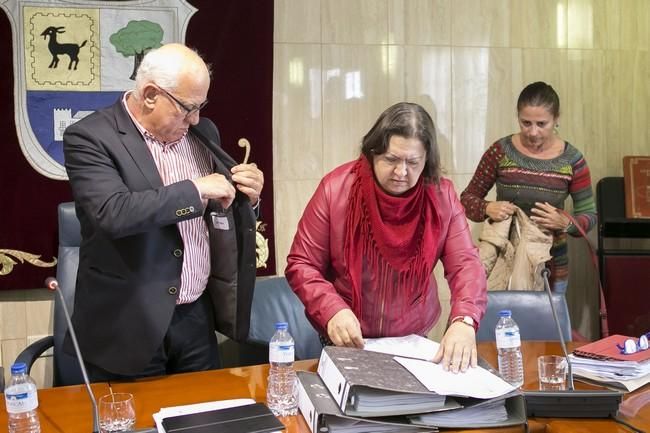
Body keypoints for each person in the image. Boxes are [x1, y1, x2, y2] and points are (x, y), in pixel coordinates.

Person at [63, 43, 263, 381]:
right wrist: (197, 189)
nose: (196, 118)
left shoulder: (202, 132)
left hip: (196, 316)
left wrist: (248, 196)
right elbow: (113, 212)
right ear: (151, 94)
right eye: (187, 108)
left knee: (202, 418)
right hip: (129, 322)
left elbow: (219, 205)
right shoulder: (91, 137)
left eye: (200, 107)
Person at [285, 102, 487, 373]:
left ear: (427, 160)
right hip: (347, 338)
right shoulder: (336, 189)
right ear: (372, 151)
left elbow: (465, 264)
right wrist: (331, 309)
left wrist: (464, 320)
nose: (401, 172)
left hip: (413, 341)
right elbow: (302, 263)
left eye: (413, 162)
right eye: (391, 159)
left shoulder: (441, 196)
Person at [460, 81, 596, 293]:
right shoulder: (500, 151)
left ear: (556, 119)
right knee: (501, 321)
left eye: (542, 124)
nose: (533, 132)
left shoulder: (572, 160)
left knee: (545, 323)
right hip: (503, 261)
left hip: (551, 263)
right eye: (526, 123)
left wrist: (565, 223)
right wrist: (487, 208)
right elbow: (467, 199)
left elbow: (589, 215)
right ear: (518, 117)